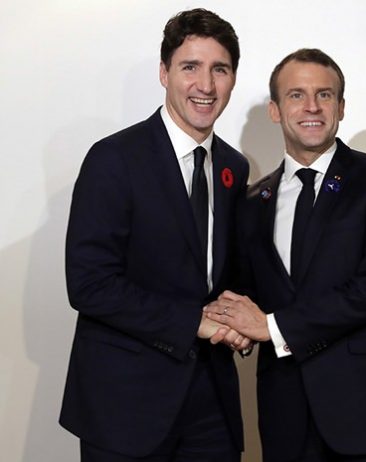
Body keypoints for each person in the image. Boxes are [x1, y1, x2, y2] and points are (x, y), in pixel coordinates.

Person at [204, 49, 366, 462]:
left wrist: (270, 327)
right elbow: (245, 295)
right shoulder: (252, 202)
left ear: (340, 107)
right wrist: (231, 324)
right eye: (296, 95)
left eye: (324, 95)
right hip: (285, 416)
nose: (311, 106)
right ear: (275, 110)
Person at [59, 9, 251, 462]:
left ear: (233, 79)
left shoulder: (233, 167)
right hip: (126, 403)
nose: (206, 85)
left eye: (219, 69)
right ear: (164, 73)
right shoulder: (113, 158)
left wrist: (241, 319)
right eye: (190, 67)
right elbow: (89, 284)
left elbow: (223, 273)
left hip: (212, 403)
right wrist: (193, 322)